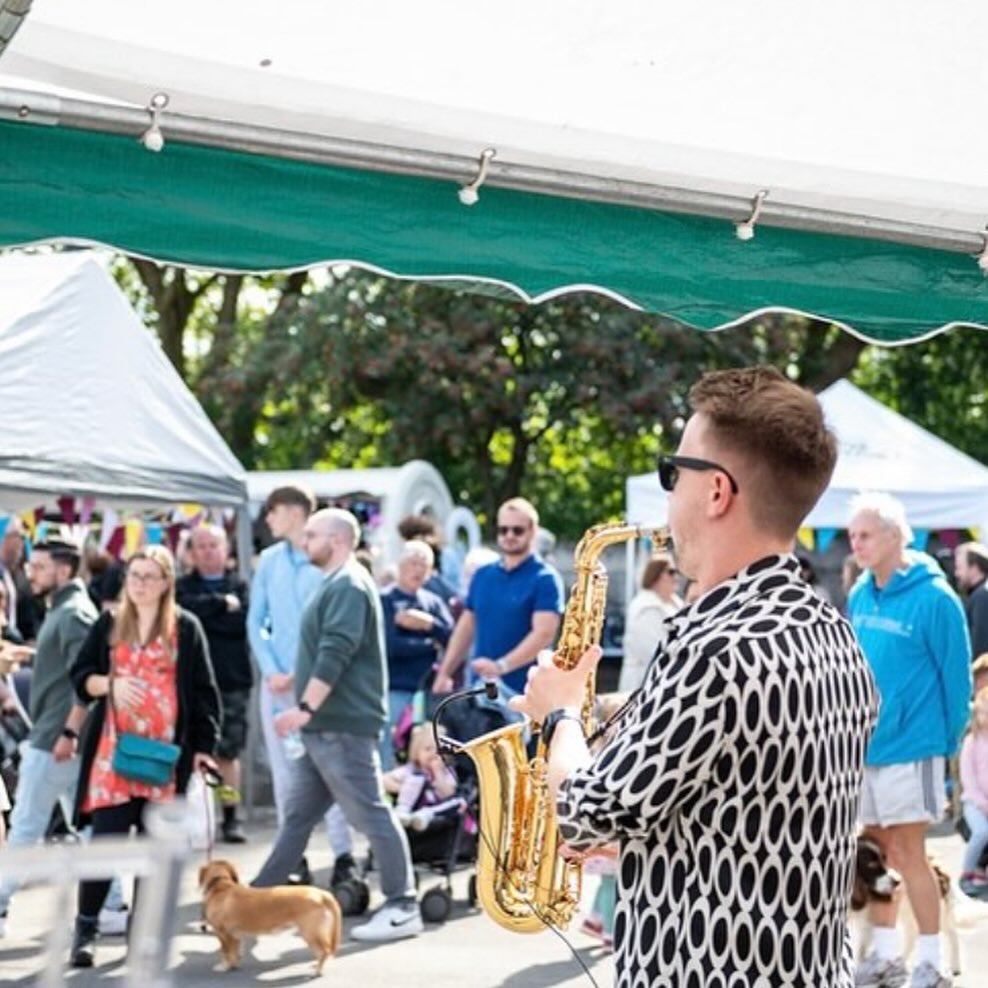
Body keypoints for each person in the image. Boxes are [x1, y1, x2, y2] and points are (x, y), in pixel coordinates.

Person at [511, 366, 877, 988]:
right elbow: (755, 818)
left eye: (672, 473)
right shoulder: (836, 635)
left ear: (716, 492)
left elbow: (584, 812)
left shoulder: (714, 647)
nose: (668, 493)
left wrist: (562, 712)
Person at [251, 508, 422, 942]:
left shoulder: (348, 584)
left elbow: (335, 651)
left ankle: (403, 905)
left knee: (371, 814)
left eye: (312, 534)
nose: (304, 541)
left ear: (339, 540)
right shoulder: (337, 583)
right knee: (297, 820)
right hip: (326, 727)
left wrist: (305, 708)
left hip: (340, 726)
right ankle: (253, 905)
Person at [66, 545, 221, 968]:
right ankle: (86, 928)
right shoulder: (109, 623)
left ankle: (143, 934)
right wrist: (110, 685)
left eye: (150, 576)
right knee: (106, 845)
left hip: (166, 760)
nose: (140, 584)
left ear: (167, 582)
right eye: (134, 576)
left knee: (155, 851)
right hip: (112, 757)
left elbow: (204, 694)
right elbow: (80, 677)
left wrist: (204, 749)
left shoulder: (185, 628)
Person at [848, 491, 971, 988]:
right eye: (852, 535)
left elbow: (958, 683)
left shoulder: (936, 599)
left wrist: (943, 747)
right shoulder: (860, 594)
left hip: (916, 748)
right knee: (876, 855)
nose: (856, 544)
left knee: (907, 854)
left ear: (896, 536)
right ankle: (885, 957)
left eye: (865, 535)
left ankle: (931, 962)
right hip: (867, 748)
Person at [247, 485, 356, 885]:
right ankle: (294, 859)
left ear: (293, 512)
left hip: (323, 686)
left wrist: (306, 670)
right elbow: (256, 621)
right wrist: (271, 669)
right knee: (286, 774)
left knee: (333, 771)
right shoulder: (270, 561)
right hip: (278, 686)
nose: (268, 520)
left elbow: (336, 626)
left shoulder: (327, 560)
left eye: (272, 511)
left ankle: (344, 857)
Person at [0, 539, 97, 939]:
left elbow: (86, 680)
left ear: (63, 570)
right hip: (59, 737)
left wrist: (70, 732)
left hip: (56, 738)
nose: (31, 574)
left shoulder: (73, 613)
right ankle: (110, 907)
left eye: (39, 567)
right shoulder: (64, 609)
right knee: (87, 830)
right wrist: (30, 655)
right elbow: (68, 667)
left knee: (25, 828)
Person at [433, 497, 563, 700]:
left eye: (517, 530)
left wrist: (501, 666)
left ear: (533, 531)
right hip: (480, 690)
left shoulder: (545, 578)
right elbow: (465, 628)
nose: (509, 535)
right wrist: (444, 673)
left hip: (527, 693)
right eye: (503, 530)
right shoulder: (482, 575)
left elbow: (543, 634)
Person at [176, 524, 252, 843]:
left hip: (230, 680)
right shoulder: (181, 587)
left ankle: (230, 816)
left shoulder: (242, 586)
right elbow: (185, 617)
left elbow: (240, 624)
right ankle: (187, 819)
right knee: (186, 751)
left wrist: (209, 613)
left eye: (213, 545)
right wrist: (221, 605)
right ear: (191, 553)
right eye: (201, 546)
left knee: (227, 754)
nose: (207, 552)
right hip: (190, 681)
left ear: (226, 550)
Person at [379, 540, 453, 769]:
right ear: (400, 566)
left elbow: (452, 640)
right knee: (390, 747)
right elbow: (389, 646)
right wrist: (430, 645)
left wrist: (429, 624)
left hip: (427, 692)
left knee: (425, 749)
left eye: (424, 566)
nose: (418, 570)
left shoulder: (433, 603)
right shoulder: (385, 600)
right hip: (395, 688)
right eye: (413, 563)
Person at [617, 554, 682, 692]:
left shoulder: (675, 603)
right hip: (644, 682)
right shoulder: (646, 607)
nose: (676, 577)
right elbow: (653, 651)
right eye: (671, 572)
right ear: (656, 575)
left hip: (665, 680)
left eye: (677, 571)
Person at [382, 724, 462, 832]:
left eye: (439, 750)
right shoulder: (412, 770)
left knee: (458, 801)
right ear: (417, 752)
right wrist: (404, 788)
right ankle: (402, 810)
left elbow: (448, 794)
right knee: (416, 778)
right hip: (410, 808)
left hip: (433, 812)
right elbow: (384, 780)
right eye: (428, 749)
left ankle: (424, 816)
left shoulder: (447, 772)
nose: (433, 754)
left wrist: (438, 773)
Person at [958, 688, 988, 897]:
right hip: (974, 803)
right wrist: (983, 804)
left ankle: (981, 870)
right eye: (982, 712)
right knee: (982, 832)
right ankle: (967, 873)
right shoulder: (972, 742)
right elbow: (968, 779)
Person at [955, 542, 988, 659]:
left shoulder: (982, 597)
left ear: (974, 568)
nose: (956, 574)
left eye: (959, 568)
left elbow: (980, 644)